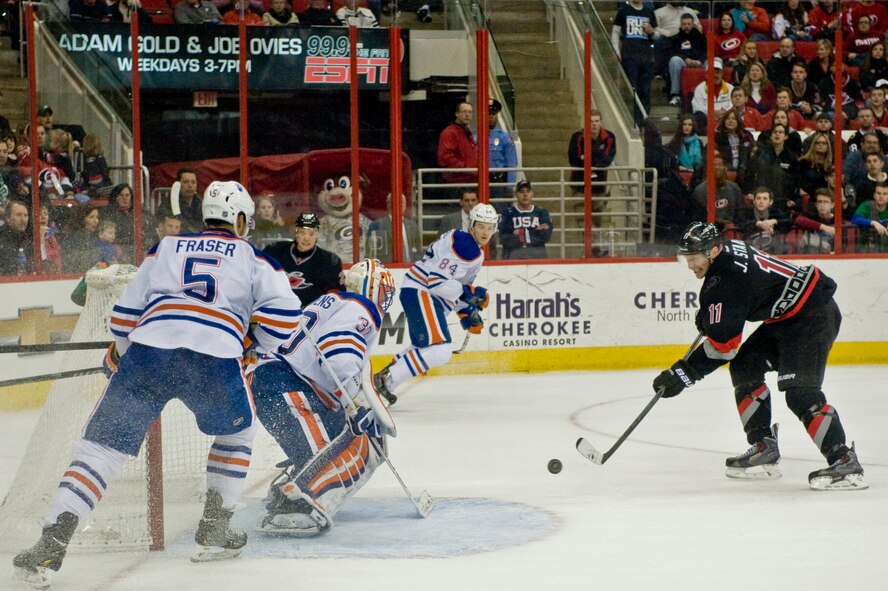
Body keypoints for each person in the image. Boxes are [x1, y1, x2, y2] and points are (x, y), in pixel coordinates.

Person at [12, 181, 303, 588]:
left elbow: (126, 313)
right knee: (237, 433)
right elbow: (285, 322)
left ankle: (52, 541)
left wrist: (121, 352)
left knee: (100, 450)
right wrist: (253, 345)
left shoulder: (166, 247)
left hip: (149, 351)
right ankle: (215, 527)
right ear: (239, 220)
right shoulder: (256, 260)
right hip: (213, 356)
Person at [652, 221, 867, 490]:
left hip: (812, 317)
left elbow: (723, 347)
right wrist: (712, 317)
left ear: (713, 251)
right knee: (745, 366)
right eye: (687, 258)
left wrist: (683, 373)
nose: (690, 265)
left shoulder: (724, 281)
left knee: (800, 392)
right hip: (788, 317)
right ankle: (763, 445)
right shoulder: (726, 254)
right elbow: (741, 301)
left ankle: (844, 460)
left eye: (693, 258)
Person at [250, 259, 395, 536]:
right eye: (383, 292)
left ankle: (289, 486)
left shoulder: (333, 301)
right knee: (332, 457)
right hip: (287, 384)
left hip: (279, 382)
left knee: (336, 438)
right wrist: (356, 401)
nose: (383, 300)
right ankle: (296, 505)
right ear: (370, 287)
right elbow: (338, 359)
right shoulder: (361, 308)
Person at [371, 203, 497, 405]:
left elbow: (451, 285)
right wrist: (469, 294)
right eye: (481, 226)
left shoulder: (463, 241)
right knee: (440, 350)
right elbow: (437, 283)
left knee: (423, 346)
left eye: (490, 227)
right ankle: (386, 379)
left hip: (419, 292)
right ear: (472, 225)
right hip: (422, 292)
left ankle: (382, 383)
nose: (485, 232)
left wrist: (465, 310)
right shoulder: (467, 246)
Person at [263, 212, 343, 306]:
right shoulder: (274, 251)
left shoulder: (330, 261)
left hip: (312, 315)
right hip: (277, 311)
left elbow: (338, 296)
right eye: (302, 232)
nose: (306, 238)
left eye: (311, 233)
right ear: (296, 232)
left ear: (317, 234)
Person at [611, 0, 659, 121]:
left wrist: (651, 32)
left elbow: (657, 34)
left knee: (645, 90)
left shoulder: (649, 11)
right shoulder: (623, 11)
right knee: (633, 88)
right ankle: (633, 119)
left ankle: (643, 120)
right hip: (629, 55)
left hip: (646, 56)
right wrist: (616, 50)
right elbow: (616, 32)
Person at [567, 109, 617, 211]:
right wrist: (592, 165)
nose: (594, 124)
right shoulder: (577, 137)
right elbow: (573, 158)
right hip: (580, 181)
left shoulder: (609, 137)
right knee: (580, 212)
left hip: (599, 182)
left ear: (601, 122)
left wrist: (591, 164)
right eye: (591, 121)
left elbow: (609, 157)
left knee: (597, 214)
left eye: (596, 121)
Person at [742, 123, 799, 211]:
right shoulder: (760, 153)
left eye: (780, 132)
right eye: (775, 132)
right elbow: (750, 174)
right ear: (770, 136)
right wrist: (750, 192)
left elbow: (794, 181)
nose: (777, 134)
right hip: (761, 198)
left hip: (782, 200)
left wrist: (791, 198)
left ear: (786, 137)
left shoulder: (791, 157)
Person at [499, 180, 553, 260]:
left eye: (528, 191)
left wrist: (520, 233)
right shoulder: (507, 213)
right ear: (516, 194)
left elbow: (545, 236)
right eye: (521, 191)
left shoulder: (541, 213)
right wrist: (535, 231)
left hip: (537, 257)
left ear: (532, 194)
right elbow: (504, 239)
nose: (525, 194)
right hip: (513, 257)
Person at [692, 153, 744, 229]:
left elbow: (741, 215)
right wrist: (722, 223)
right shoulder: (700, 191)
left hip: (733, 230)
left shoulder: (735, 188)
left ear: (725, 168)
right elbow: (700, 219)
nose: (717, 167)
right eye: (713, 165)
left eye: (720, 164)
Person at [736, 186, 793, 254]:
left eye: (765, 199)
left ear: (770, 202)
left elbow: (790, 222)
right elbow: (740, 224)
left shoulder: (775, 212)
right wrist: (757, 224)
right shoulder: (745, 213)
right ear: (754, 201)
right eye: (758, 198)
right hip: (750, 250)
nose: (761, 201)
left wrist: (774, 221)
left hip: (773, 251)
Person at [665, 13, 706, 106]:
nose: (686, 26)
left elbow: (706, 52)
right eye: (684, 24)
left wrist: (700, 60)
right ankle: (675, 95)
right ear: (680, 25)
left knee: (716, 61)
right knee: (674, 60)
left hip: (699, 61)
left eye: (689, 24)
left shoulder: (700, 37)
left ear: (693, 24)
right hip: (684, 61)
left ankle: (710, 91)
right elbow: (673, 52)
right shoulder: (676, 37)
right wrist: (686, 59)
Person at [367, 193, 422, 263]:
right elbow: (370, 253)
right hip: (387, 270)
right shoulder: (376, 225)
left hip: (409, 270)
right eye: (396, 202)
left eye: (402, 202)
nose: (400, 205)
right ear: (389, 205)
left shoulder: (413, 226)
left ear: (405, 206)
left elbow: (418, 252)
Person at [437, 100, 477, 186]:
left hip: (470, 180)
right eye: (464, 111)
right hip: (457, 181)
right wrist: (466, 168)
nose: (467, 114)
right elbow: (445, 157)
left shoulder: (467, 133)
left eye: (470, 112)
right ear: (457, 114)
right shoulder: (450, 132)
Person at [691, 57, 733, 130]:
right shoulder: (700, 89)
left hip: (727, 119)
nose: (715, 75)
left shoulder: (730, 88)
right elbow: (697, 107)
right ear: (706, 75)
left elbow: (734, 105)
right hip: (707, 121)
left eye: (717, 72)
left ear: (722, 74)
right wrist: (712, 112)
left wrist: (725, 113)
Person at [60, 203, 102, 273]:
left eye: (97, 217)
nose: (96, 221)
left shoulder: (95, 237)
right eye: (91, 217)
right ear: (82, 219)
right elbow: (70, 266)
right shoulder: (71, 240)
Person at [487, 99, 517, 195]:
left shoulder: (504, 137)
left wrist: (509, 186)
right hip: (481, 181)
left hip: (499, 182)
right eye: (488, 113)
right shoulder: (476, 138)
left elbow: (511, 163)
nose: (491, 116)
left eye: (493, 114)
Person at [795, 188, 838, 254]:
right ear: (816, 204)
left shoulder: (837, 219)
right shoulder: (810, 216)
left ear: (832, 205)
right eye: (819, 202)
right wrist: (823, 226)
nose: (822, 205)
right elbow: (798, 220)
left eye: (826, 202)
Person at [715, 109, 754, 178]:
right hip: (725, 169)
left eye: (733, 119)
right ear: (724, 121)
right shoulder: (718, 136)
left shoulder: (746, 135)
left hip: (744, 169)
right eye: (728, 119)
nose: (730, 121)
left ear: (738, 121)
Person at [850, 181, 888, 252]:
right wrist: (873, 222)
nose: (881, 196)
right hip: (866, 249)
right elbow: (855, 219)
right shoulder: (867, 206)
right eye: (878, 193)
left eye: (885, 194)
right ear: (874, 195)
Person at [101, 183, 136, 258]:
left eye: (127, 195)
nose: (124, 198)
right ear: (116, 197)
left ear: (131, 197)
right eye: (121, 195)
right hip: (116, 251)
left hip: (135, 249)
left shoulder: (138, 212)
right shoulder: (108, 213)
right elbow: (108, 236)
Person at [0, 200, 31, 275]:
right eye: (18, 215)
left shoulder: (26, 237)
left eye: (25, 215)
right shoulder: (2, 238)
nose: (23, 219)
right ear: (8, 218)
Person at [173, 167, 203, 233]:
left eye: (193, 182)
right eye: (186, 182)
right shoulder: (169, 204)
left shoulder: (201, 204)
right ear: (178, 185)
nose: (190, 185)